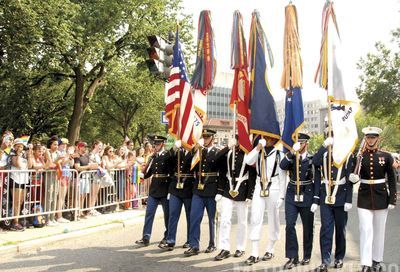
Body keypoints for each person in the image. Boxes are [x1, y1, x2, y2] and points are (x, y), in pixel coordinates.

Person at [349, 126, 397, 272]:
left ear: (378, 138)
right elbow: (353, 174)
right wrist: (353, 178)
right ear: (365, 139)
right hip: (364, 197)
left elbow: (392, 179)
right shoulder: (359, 156)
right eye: (368, 137)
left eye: (373, 137)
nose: (370, 140)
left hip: (382, 196)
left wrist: (392, 199)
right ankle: (366, 262)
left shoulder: (386, 156)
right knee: (365, 229)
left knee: (379, 231)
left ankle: (376, 260)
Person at [311, 134, 355, 272]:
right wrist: (324, 146)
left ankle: (339, 257)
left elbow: (349, 178)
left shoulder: (346, 154)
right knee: (326, 229)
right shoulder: (324, 152)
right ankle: (325, 260)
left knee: (340, 230)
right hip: (326, 196)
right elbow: (315, 162)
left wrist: (349, 199)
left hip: (341, 196)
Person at [244, 136, 287, 265]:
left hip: (273, 188)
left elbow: (283, 177)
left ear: (274, 140)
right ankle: (254, 252)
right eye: (265, 137)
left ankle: (270, 248)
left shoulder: (280, 154)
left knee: (273, 219)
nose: (267, 139)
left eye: (269, 137)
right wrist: (257, 148)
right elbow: (247, 160)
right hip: (259, 187)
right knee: (255, 218)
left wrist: (281, 196)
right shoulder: (258, 151)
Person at [214, 137, 256, 261]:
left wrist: (250, 194)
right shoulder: (229, 152)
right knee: (225, 219)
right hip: (228, 189)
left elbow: (252, 175)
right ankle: (224, 248)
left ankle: (240, 247)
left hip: (242, 189)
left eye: (238, 141)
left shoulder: (248, 154)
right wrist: (227, 147)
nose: (236, 143)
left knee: (242, 221)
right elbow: (216, 162)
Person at [184, 128, 223, 257]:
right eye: (204, 137)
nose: (205, 139)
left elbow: (221, 173)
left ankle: (212, 243)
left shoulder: (217, 152)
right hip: (198, 189)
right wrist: (195, 149)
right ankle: (194, 245)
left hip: (212, 189)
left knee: (212, 219)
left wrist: (220, 191)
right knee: (194, 217)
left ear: (212, 138)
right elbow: (186, 165)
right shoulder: (198, 151)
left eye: (207, 137)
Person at [279, 132, 315, 270]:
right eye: (297, 143)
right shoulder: (291, 156)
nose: (299, 145)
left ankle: (307, 255)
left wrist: (316, 199)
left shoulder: (311, 158)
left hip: (307, 193)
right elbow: (282, 166)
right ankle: (293, 257)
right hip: (292, 193)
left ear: (307, 144)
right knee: (289, 225)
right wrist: (292, 152)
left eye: (301, 143)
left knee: (307, 227)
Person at [135, 135, 172, 248]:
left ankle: (167, 236)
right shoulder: (153, 157)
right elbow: (150, 172)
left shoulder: (168, 156)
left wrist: (171, 189)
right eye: (154, 144)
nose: (155, 146)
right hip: (154, 188)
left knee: (167, 216)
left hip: (165, 187)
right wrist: (143, 174)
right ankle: (146, 237)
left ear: (163, 144)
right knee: (149, 213)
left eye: (157, 144)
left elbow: (171, 172)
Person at [160, 139, 195, 251]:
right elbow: (164, 160)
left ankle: (190, 240)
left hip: (188, 187)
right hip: (175, 187)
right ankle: (170, 240)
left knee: (190, 216)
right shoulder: (177, 152)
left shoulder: (194, 151)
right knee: (172, 215)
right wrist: (173, 148)